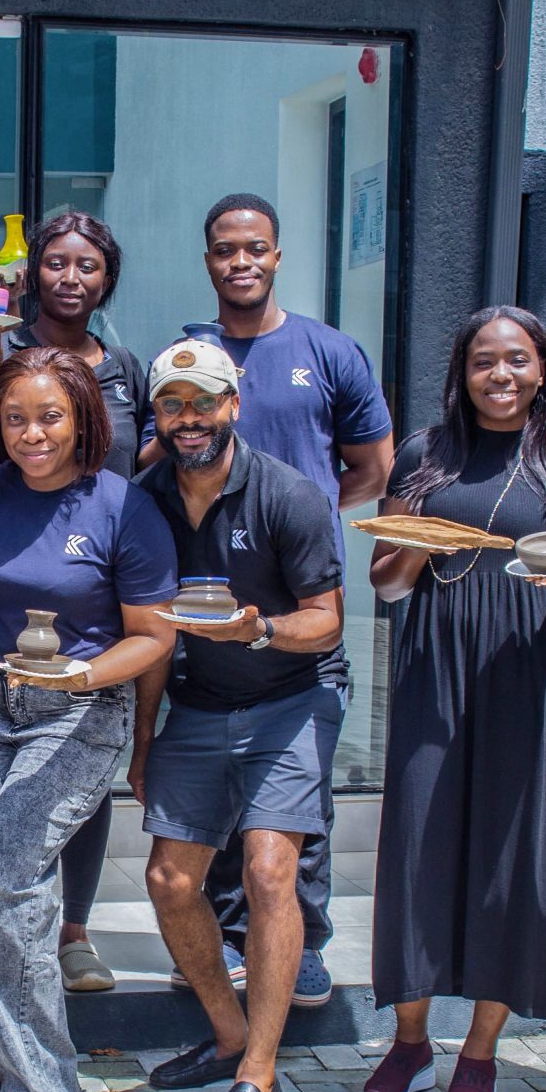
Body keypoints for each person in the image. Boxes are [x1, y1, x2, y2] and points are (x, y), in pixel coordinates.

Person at [0, 345, 176, 1092]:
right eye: (15, 417)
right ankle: (10, 1052)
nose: (32, 433)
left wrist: (85, 679)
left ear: (82, 421)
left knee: (3, 878)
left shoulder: (122, 507)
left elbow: (154, 638)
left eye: (50, 417)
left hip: (82, 708)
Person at [361, 306, 546, 1092]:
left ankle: (481, 1051)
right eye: (484, 361)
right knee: (419, 840)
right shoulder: (425, 454)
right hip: (434, 663)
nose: (501, 375)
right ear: (461, 372)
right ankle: (411, 1038)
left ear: (542, 370)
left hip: (530, 668)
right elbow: (386, 583)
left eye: (517, 360)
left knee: (510, 853)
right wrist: (421, 539)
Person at [133, 338, 346, 1092]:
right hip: (197, 700)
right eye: (173, 404)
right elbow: (152, 632)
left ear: (233, 404)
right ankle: (227, 1033)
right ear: (158, 414)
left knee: (266, 868)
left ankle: (260, 1070)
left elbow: (325, 618)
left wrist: (259, 630)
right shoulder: (144, 498)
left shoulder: (288, 494)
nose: (189, 418)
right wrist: (144, 742)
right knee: (168, 880)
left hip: (292, 693)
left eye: (203, 401)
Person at [192, 194, 393, 1011]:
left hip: (306, 615)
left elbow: (373, 467)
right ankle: (234, 939)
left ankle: (304, 940)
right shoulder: (189, 352)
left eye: (255, 248)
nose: (240, 261)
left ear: (278, 256)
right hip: (205, 615)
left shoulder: (329, 350)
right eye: (224, 249)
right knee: (220, 793)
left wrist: (293, 521)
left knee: (296, 790)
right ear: (207, 259)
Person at [0, 210, 148, 992]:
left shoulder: (126, 366)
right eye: (57, 263)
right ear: (32, 272)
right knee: (6, 810)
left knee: (84, 776)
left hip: (110, 567)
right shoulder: (4, 348)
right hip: (15, 559)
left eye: (88, 265)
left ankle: (72, 929)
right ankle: (12, 930)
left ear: (107, 276)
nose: (71, 277)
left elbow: (153, 457)